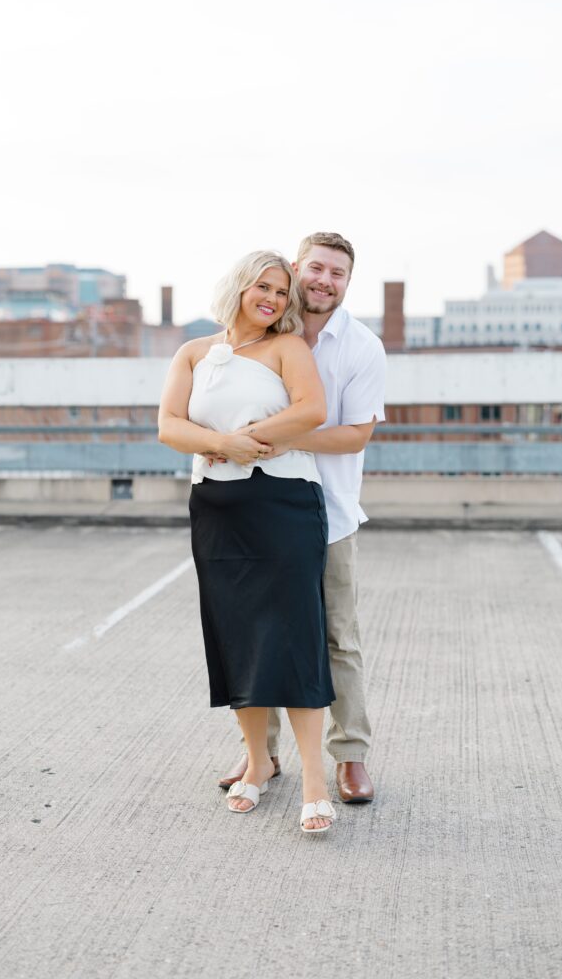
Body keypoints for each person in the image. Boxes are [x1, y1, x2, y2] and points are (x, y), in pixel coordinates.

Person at [158, 250, 338, 833]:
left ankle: (315, 782)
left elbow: (313, 409)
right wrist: (216, 444)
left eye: (282, 292)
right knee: (237, 636)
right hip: (216, 509)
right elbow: (169, 425)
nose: (273, 298)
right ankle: (257, 764)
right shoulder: (193, 353)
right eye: (263, 286)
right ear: (238, 287)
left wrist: (241, 441)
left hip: (283, 506)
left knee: (295, 635)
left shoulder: (288, 349)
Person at [218, 232, 387, 804]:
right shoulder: (264, 334)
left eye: (337, 273)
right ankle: (259, 754)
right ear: (297, 269)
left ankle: (351, 755)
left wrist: (271, 438)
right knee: (259, 632)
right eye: (316, 268)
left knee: (338, 636)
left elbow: (357, 432)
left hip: (331, 513)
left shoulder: (360, 346)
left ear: (346, 283)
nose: (325, 280)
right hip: (260, 510)